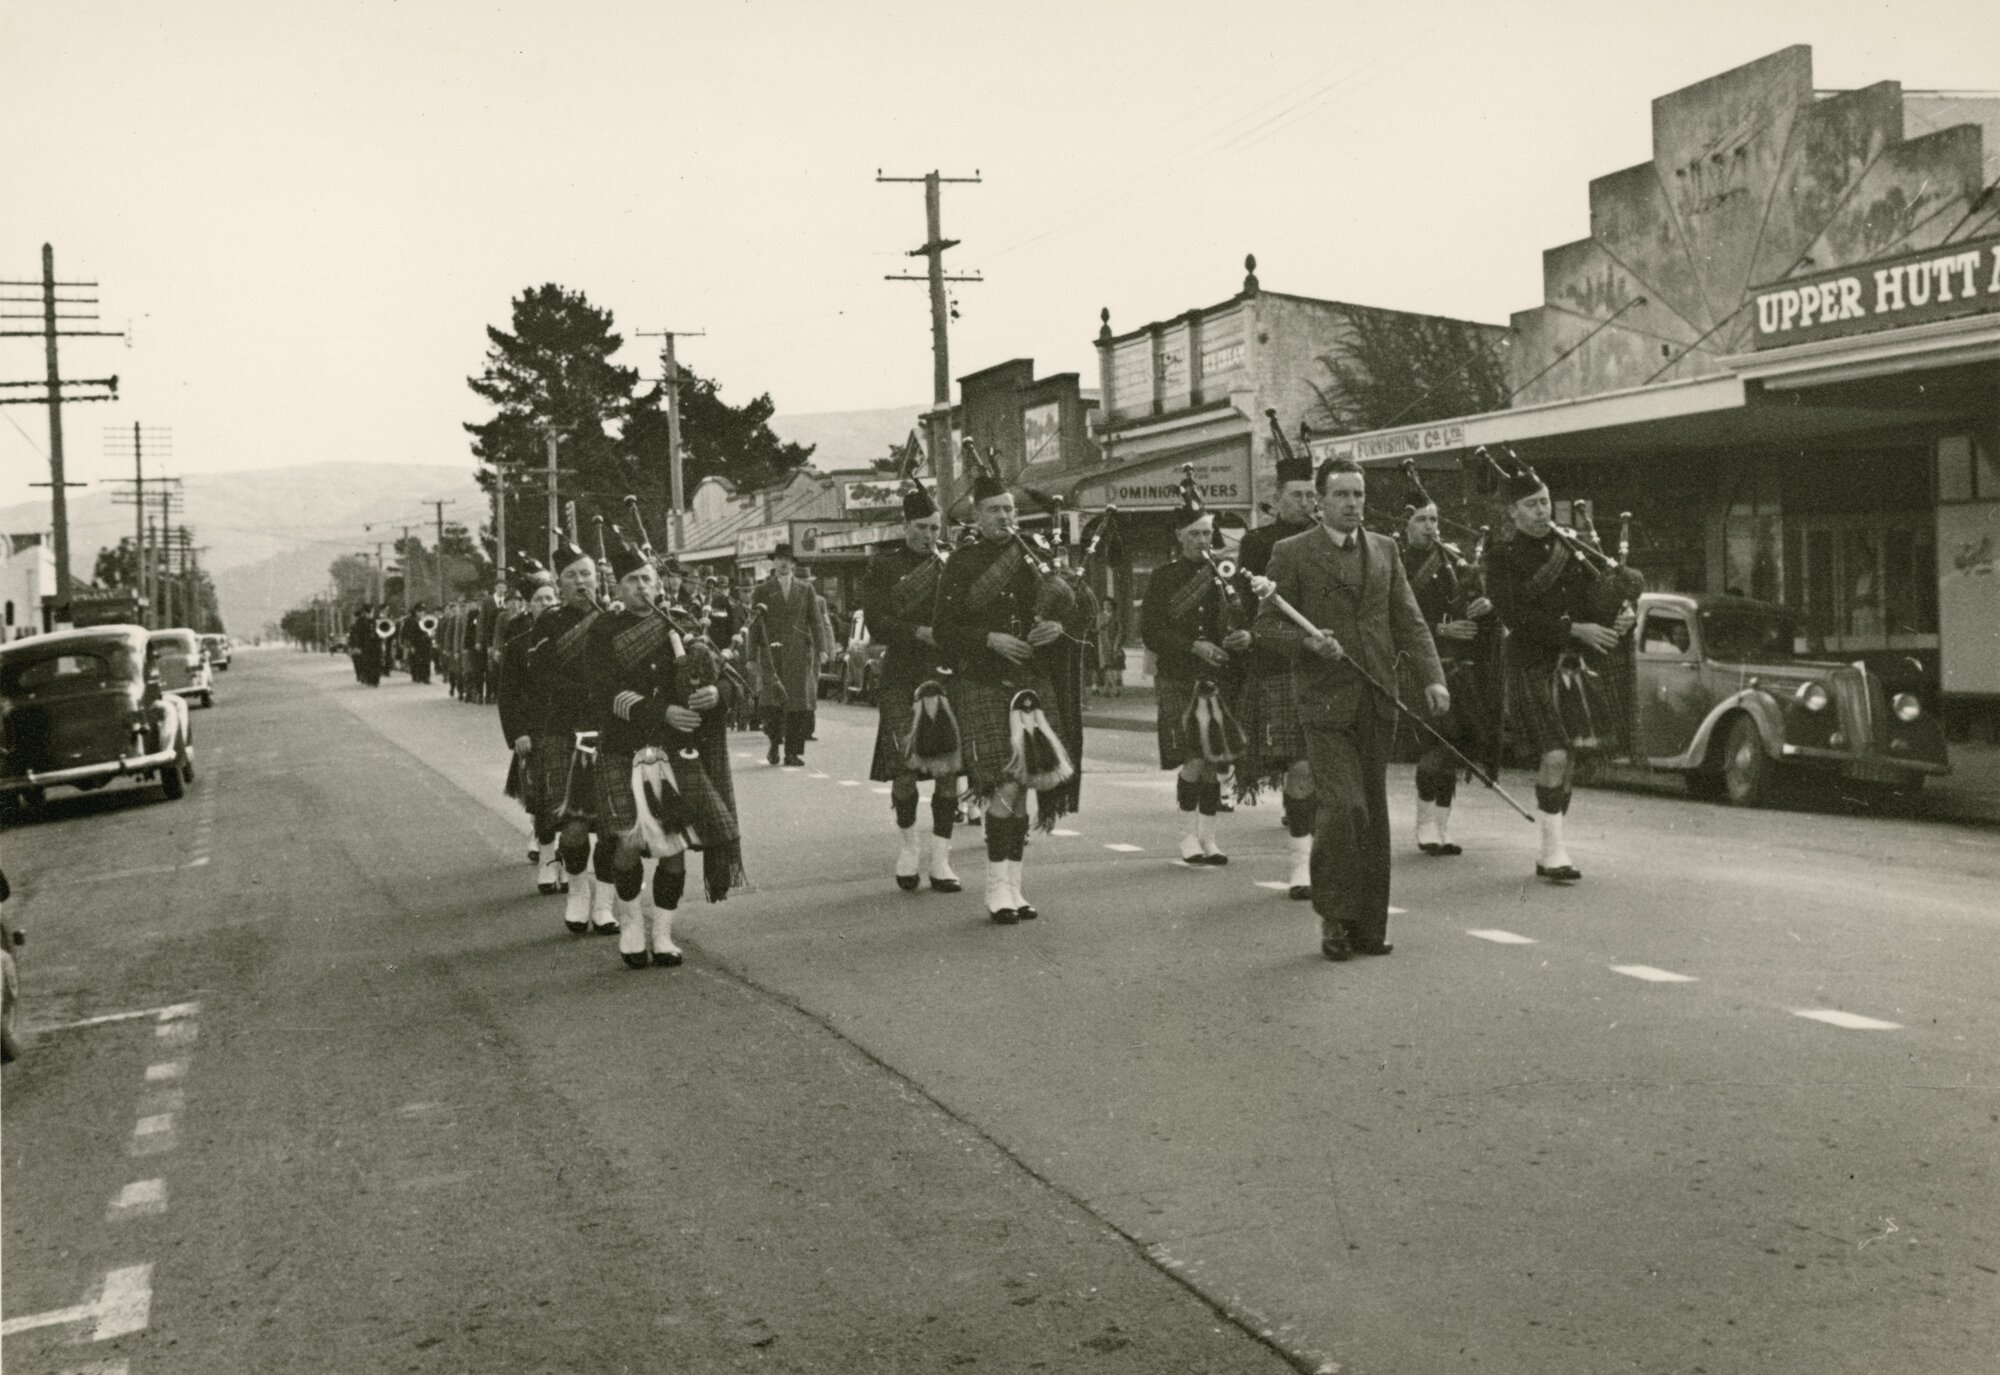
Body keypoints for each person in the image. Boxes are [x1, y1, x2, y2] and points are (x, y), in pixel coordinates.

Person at [1253, 457, 1446, 961]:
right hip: (1324, 704)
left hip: (1378, 698)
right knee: (1344, 807)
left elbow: (1409, 620)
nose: (1352, 504)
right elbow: (1266, 629)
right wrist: (1309, 644)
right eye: (1341, 495)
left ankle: (1368, 927)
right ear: (1320, 501)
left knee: (1374, 814)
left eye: (1358, 495)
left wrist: (1433, 678)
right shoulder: (1291, 553)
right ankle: (1334, 919)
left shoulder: (1385, 550)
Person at [931, 447, 1077, 924]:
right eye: (995, 510)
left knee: (1025, 786)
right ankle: (996, 890)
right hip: (984, 680)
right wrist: (988, 638)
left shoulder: (1035, 555)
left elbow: (1078, 607)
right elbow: (944, 631)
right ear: (976, 515)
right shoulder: (962, 564)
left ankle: (1015, 888)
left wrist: (1056, 627)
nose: (1005, 517)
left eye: (1010, 509)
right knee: (1004, 787)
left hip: (1030, 683)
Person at [589, 529, 745, 968]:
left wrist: (715, 695)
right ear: (618, 588)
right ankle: (631, 924)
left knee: (673, 848)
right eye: (632, 581)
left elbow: (727, 684)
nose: (642, 587)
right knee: (625, 842)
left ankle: (663, 933)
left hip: (675, 752)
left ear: (659, 583)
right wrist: (662, 714)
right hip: (625, 747)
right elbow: (605, 693)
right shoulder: (605, 630)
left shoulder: (682, 625)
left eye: (647, 579)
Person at [1484, 453, 1633, 883]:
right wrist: (1577, 630)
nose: (1540, 512)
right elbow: (1516, 618)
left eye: (1545, 502)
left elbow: (1598, 598)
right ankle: (1553, 852)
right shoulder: (1502, 557)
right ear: (1512, 512)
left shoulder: (1571, 546)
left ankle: (1554, 846)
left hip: (1572, 666)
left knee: (1566, 759)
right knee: (1553, 753)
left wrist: (1620, 616)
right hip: (1532, 664)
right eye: (1530, 505)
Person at [1141, 475, 1252, 865]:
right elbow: (1150, 631)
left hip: (1219, 678)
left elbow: (1244, 619)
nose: (1204, 541)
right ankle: (1188, 837)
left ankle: (1210, 839)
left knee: (1214, 761)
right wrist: (1192, 645)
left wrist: (1243, 638)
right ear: (1180, 537)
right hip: (1179, 676)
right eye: (1196, 535)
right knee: (1194, 759)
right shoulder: (1163, 578)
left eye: (1208, 534)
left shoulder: (1228, 574)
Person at [863, 476, 965, 894]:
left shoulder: (952, 564)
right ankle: (909, 849)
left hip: (944, 676)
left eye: (934, 528)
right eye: (921, 527)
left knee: (947, 771)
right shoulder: (883, 566)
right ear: (906, 526)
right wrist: (918, 632)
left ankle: (941, 860)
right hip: (902, 675)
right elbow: (877, 622)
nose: (928, 535)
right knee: (903, 771)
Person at [1235, 412, 1320, 898]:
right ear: (1278, 497)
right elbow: (1251, 608)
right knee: (1301, 766)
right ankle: (1300, 867)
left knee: (1322, 769)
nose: (1306, 503)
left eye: (1312, 496)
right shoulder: (1258, 543)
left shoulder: (1329, 541)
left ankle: (1317, 852)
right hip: (1281, 666)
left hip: (1328, 665)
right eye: (1297, 496)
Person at [1397, 470, 1500, 857]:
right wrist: (1443, 630)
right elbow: (1398, 619)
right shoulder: (1397, 562)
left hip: (1459, 668)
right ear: (1405, 525)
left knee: (1457, 746)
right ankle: (1425, 826)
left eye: (1434, 519)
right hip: (1422, 668)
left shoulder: (1455, 561)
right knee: (1436, 744)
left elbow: (1477, 613)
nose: (1430, 527)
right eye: (1421, 520)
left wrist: (1484, 608)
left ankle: (1441, 826)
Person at [533, 539, 620, 935]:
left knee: (611, 823)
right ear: (559, 582)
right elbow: (542, 675)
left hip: (610, 729)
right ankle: (577, 893)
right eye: (572, 576)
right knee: (572, 826)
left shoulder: (615, 617)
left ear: (597, 577)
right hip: (564, 729)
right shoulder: (548, 623)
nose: (581, 581)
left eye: (586, 573)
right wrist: (587, 691)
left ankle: (604, 903)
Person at [499, 566, 564, 893]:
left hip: (568, 730)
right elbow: (508, 695)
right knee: (542, 801)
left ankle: (565, 864)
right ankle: (548, 863)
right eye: (540, 599)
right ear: (530, 606)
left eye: (551, 598)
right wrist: (518, 733)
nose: (547, 604)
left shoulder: (571, 636)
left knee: (570, 802)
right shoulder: (518, 644)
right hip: (536, 732)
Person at [748, 544, 829, 766]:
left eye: (788, 560)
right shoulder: (762, 590)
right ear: (773, 562)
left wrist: (822, 648)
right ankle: (774, 742)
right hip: (771, 654)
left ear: (793, 564)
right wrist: (751, 657)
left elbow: (815, 620)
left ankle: (793, 753)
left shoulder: (805, 590)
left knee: (797, 705)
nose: (784, 563)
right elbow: (754, 625)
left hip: (799, 654)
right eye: (780, 559)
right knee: (772, 704)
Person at [403, 602, 435, 685]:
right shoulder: (410, 621)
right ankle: (418, 676)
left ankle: (426, 678)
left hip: (426, 643)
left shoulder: (427, 620)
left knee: (427, 660)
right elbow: (408, 634)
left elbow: (431, 629)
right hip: (417, 644)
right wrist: (411, 645)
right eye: (419, 611)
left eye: (423, 611)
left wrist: (431, 635)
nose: (421, 613)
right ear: (416, 612)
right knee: (418, 660)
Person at [351, 606, 384, 687]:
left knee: (377, 662)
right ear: (365, 613)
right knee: (368, 663)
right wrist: (358, 647)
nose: (370, 614)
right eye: (369, 613)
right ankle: (369, 680)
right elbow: (358, 636)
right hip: (366, 646)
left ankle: (376, 680)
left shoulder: (376, 621)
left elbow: (382, 632)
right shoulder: (360, 622)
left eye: (371, 612)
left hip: (376, 645)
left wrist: (382, 641)